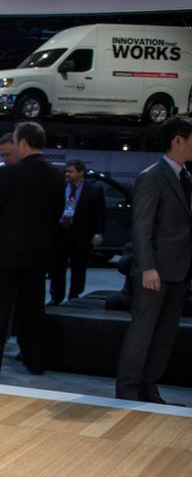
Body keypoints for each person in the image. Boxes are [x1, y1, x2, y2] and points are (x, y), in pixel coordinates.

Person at [0, 121, 64, 376]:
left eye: (15, 141)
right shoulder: (56, 175)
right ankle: (34, 360)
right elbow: (56, 214)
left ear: (24, 142)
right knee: (33, 309)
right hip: (37, 253)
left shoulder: (9, 174)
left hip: (4, 253)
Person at [115, 117, 192, 403]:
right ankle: (127, 389)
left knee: (165, 335)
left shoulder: (186, 177)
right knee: (142, 332)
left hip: (180, 271)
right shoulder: (152, 176)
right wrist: (148, 267)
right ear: (178, 140)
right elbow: (142, 226)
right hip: (154, 270)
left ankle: (149, 387)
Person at [49, 160, 105, 304]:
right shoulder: (60, 187)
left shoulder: (94, 190)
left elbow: (100, 214)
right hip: (60, 231)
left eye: (71, 171)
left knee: (78, 266)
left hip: (81, 233)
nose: (67, 174)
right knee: (57, 266)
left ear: (81, 172)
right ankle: (56, 296)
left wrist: (98, 232)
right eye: (66, 171)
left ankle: (74, 295)